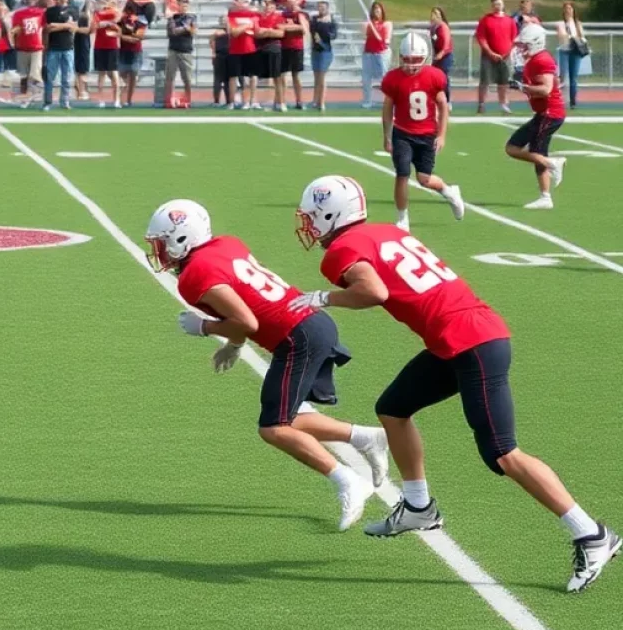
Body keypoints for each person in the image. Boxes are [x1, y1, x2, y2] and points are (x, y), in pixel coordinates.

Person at [292, 174, 620, 592]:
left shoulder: (342, 249)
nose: (308, 225)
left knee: (503, 454)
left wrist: (324, 297)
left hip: (471, 343)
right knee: (393, 407)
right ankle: (417, 505)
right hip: (461, 338)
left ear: (329, 214)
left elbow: (373, 291)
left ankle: (591, 534)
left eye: (312, 217)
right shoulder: (386, 230)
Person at [147, 199, 388, 531]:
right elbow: (245, 303)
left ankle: (347, 479)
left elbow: (246, 321)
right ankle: (364, 437)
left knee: (274, 427)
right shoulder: (225, 244)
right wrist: (233, 346)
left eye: (161, 243)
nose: (158, 252)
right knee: (295, 415)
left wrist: (205, 328)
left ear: (180, 238)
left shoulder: (193, 277)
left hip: (298, 337)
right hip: (313, 322)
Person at [380, 31, 465, 231]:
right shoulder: (393, 78)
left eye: (416, 59)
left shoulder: (434, 76)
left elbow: (443, 106)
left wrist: (442, 134)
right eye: (407, 60)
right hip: (402, 132)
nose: (411, 64)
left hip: (427, 133)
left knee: (424, 179)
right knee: (402, 173)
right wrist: (386, 135)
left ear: (425, 57)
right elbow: (387, 108)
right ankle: (402, 218)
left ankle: (449, 191)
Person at [505, 23, 568, 209]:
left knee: (534, 152)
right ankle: (546, 192)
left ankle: (550, 173)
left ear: (536, 43)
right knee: (513, 147)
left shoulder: (543, 60)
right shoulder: (534, 60)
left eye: (525, 44)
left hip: (550, 113)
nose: (522, 48)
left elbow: (546, 89)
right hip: (544, 113)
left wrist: (524, 87)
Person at [474, 0, 516, 114]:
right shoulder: (486, 20)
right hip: (488, 56)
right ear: (492, 6)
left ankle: (503, 104)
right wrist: (490, 52)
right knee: (485, 80)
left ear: (503, 5)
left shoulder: (510, 20)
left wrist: (506, 52)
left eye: (499, 4)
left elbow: (513, 39)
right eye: (495, 4)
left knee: (503, 82)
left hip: (505, 57)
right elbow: (481, 38)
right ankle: (481, 104)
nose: (497, 6)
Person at [43, 0, 77, 111]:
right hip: (53, 47)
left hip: (68, 47)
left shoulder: (73, 10)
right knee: (50, 77)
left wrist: (56, 25)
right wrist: (65, 25)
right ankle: (47, 101)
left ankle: (65, 101)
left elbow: (73, 27)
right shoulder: (50, 11)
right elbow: (47, 28)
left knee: (67, 78)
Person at [227, 0, 259, 110]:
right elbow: (233, 32)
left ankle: (249, 101)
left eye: (241, 0)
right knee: (233, 76)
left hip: (250, 49)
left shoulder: (253, 15)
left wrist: (242, 28)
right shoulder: (232, 15)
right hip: (235, 49)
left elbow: (256, 30)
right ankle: (232, 102)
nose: (238, 2)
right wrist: (246, 26)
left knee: (249, 77)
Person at [278, 0, 310, 111]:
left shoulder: (301, 14)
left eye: (293, 2)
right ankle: (282, 101)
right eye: (289, 3)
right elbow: (279, 26)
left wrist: (288, 27)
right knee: (282, 75)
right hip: (284, 47)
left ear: (297, 3)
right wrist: (292, 27)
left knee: (296, 75)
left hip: (297, 47)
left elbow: (304, 28)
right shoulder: (283, 14)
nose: (291, 5)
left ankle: (299, 100)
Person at [255, 0, 285, 112]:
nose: (268, 7)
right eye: (266, 5)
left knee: (277, 77)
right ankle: (258, 102)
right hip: (262, 48)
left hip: (274, 48)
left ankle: (280, 102)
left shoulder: (278, 17)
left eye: (270, 5)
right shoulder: (259, 17)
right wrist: (270, 31)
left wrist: (267, 31)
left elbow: (281, 33)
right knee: (260, 78)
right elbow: (257, 33)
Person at [90, 0, 121, 109]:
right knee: (101, 74)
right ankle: (101, 99)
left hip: (112, 46)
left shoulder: (114, 12)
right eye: (102, 1)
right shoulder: (97, 14)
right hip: (99, 45)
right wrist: (102, 23)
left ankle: (116, 100)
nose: (104, 4)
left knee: (114, 72)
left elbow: (117, 20)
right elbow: (93, 26)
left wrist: (108, 23)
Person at [165, 0, 196, 109]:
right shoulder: (172, 18)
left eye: (185, 5)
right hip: (173, 49)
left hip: (186, 50)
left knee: (187, 78)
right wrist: (183, 28)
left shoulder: (191, 17)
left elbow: (191, 30)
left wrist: (182, 29)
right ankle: (169, 100)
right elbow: (171, 32)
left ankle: (188, 99)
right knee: (170, 77)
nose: (183, 7)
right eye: (181, 5)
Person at [362, 1, 392, 109]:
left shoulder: (386, 24)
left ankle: (388, 100)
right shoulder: (368, 24)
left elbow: (382, 39)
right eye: (375, 9)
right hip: (369, 53)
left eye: (378, 9)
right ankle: (367, 101)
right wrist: (368, 25)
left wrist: (373, 27)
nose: (377, 11)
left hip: (381, 53)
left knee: (383, 78)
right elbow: (364, 35)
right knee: (366, 78)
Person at [556, 1, 586, 109]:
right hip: (564, 50)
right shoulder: (561, 24)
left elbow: (581, 36)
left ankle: (573, 102)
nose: (568, 10)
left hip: (575, 51)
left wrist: (576, 36)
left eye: (570, 8)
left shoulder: (577, 23)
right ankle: (559, 100)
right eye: (566, 9)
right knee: (562, 77)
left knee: (573, 78)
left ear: (573, 10)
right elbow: (561, 37)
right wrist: (569, 35)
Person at [117, 1, 147, 108]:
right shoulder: (121, 21)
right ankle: (124, 95)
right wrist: (128, 37)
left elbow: (140, 37)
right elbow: (118, 34)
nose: (130, 13)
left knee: (133, 75)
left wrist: (127, 37)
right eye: (128, 10)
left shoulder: (140, 22)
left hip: (135, 51)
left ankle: (128, 100)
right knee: (121, 74)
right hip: (123, 51)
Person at [309, 1, 337, 112]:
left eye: (323, 7)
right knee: (316, 77)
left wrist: (325, 24)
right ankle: (315, 101)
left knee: (322, 77)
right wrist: (321, 23)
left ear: (327, 9)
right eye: (319, 7)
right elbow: (312, 28)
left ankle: (322, 102)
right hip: (315, 50)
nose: (321, 9)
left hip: (325, 51)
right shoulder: (315, 19)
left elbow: (333, 35)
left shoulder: (331, 21)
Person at [429, 6, 454, 103]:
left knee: (444, 78)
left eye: (437, 14)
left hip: (445, 57)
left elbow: (446, 42)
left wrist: (442, 53)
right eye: (433, 13)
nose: (434, 16)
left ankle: (447, 101)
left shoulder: (443, 27)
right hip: (436, 57)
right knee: (434, 78)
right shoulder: (432, 28)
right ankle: (436, 99)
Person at [73, 0, 92, 102]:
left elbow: (89, 29)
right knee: (80, 68)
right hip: (79, 41)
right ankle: (81, 90)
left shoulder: (84, 13)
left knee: (81, 68)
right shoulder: (78, 12)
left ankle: (81, 90)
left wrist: (75, 29)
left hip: (83, 41)